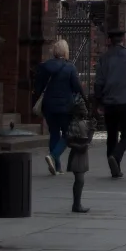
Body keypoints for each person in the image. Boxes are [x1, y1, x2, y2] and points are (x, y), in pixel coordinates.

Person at [93, 28, 126, 179]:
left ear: (109, 40)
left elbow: (98, 82)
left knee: (112, 135)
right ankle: (115, 156)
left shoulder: (104, 58)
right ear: (123, 40)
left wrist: (99, 101)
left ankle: (114, 166)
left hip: (109, 101)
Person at [33, 39, 85, 176]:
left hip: (49, 106)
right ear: (66, 51)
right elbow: (77, 87)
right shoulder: (70, 67)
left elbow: (38, 87)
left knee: (54, 133)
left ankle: (57, 167)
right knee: (68, 134)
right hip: (65, 106)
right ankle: (53, 155)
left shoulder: (45, 67)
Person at [66, 95, 94, 213]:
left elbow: (88, 139)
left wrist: (92, 129)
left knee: (80, 180)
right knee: (79, 180)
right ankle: (76, 204)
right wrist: (80, 146)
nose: (85, 110)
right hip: (77, 154)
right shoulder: (74, 124)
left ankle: (77, 204)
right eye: (82, 108)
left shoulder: (84, 123)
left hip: (83, 154)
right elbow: (69, 141)